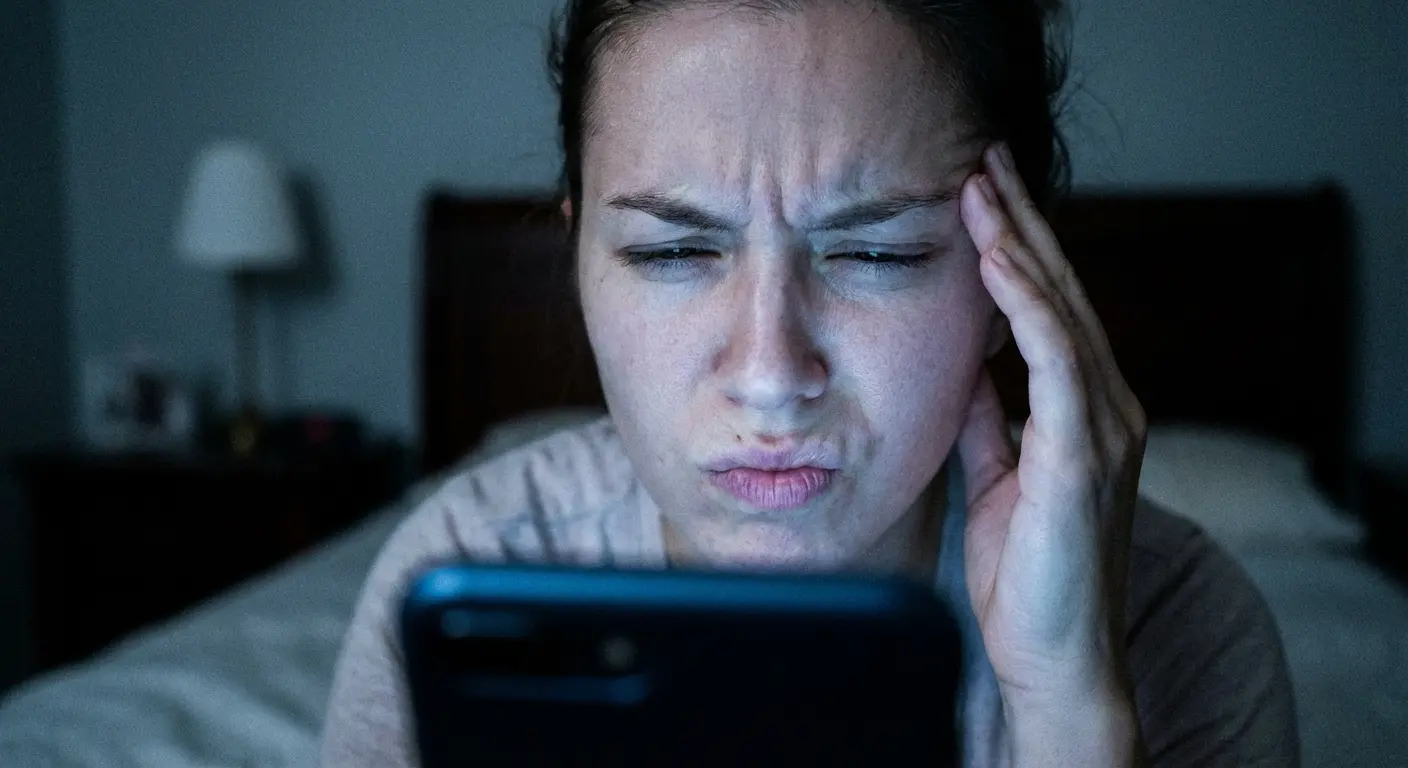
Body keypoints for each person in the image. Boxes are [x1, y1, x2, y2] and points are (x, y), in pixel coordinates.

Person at [320, 1, 1298, 765]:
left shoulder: (1179, 626)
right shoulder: (463, 579)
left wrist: (1071, 709)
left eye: (875, 253)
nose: (770, 378)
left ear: (1014, 278)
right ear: (579, 248)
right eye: (671, 251)